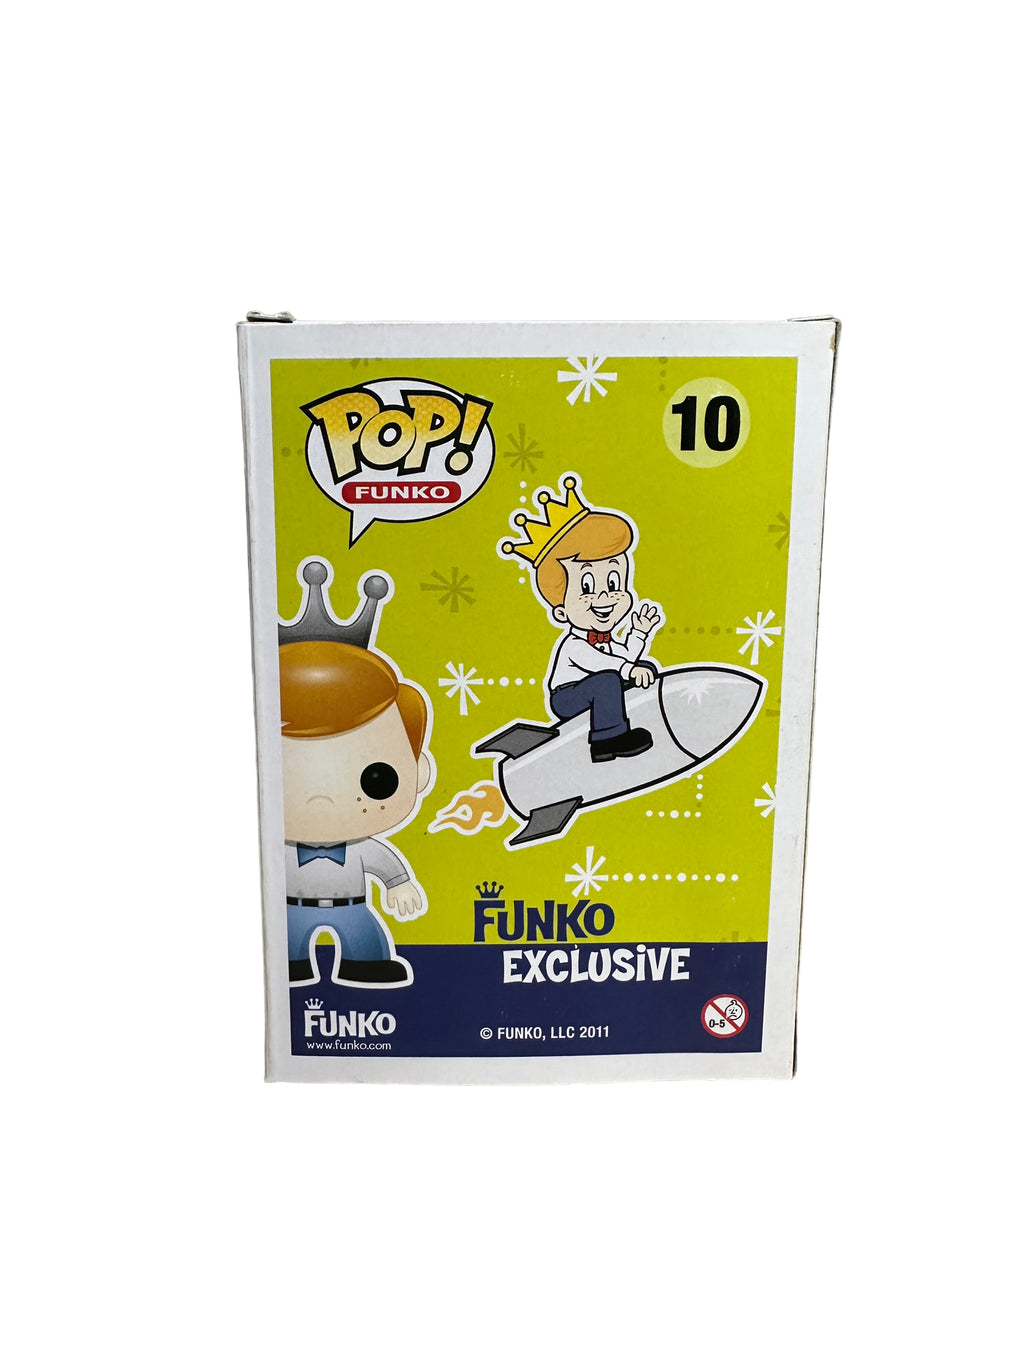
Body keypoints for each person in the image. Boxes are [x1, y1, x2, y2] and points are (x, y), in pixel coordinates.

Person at [279, 563, 433, 986]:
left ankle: (367, 966)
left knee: (366, 946)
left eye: (376, 779)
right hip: (289, 913)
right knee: (286, 952)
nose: (322, 799)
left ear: (418, 771)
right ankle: (290, 966)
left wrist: (398, 885)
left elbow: (385, 865)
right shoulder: (275, 853)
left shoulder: (362, 849)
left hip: (354, 908)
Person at [502, 475, 663, 762]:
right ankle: (606, 742)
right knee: (607, 681)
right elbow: (603, 664)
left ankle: (629, 717)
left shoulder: (605, 640)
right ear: (561, 611)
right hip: (567, 697)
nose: (604, 597)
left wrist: (639, 633)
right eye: (587, 587)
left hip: (600, 683)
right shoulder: (574, 645)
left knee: (643, 668)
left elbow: (623, 656)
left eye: (614, 583)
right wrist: (629, 669)